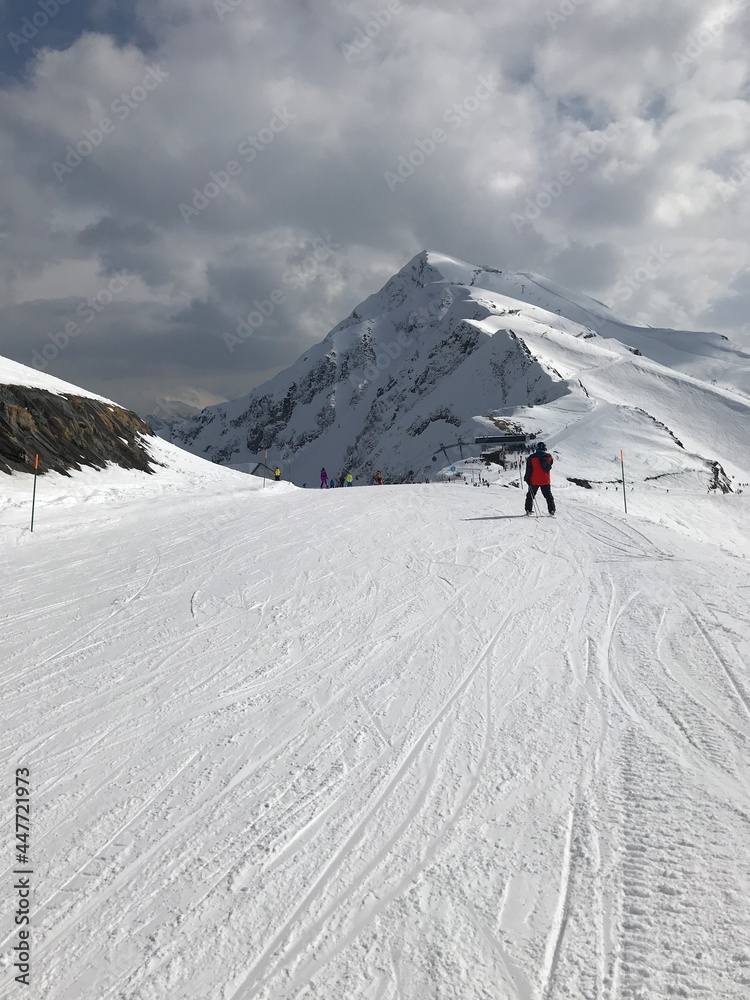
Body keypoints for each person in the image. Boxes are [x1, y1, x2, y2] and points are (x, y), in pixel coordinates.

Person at [524, 442, 556, 515]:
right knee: (548, 496)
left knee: (530, 495)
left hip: (534, 480)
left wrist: (527, 478)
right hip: (545, 480)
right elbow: (549, 465)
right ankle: (552, 510)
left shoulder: (531, 457)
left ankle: (528, 510)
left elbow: (529, 469)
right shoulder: (549, 457)